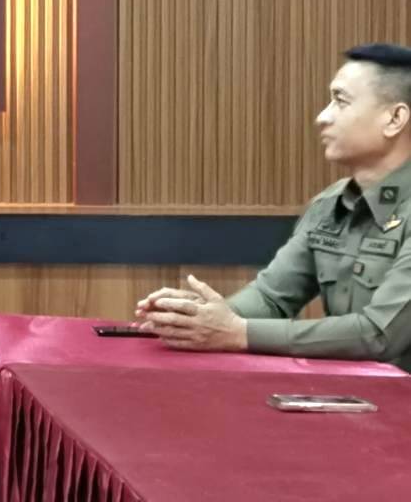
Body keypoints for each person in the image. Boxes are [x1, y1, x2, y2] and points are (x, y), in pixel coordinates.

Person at [136, 43, 411, 370]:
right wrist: (199, 316)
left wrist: (239, 333)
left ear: (395, 119)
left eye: (340, 101)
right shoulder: (330, 204)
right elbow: (271, 297)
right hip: (353, 394)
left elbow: (380, 334)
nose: (322, 117)